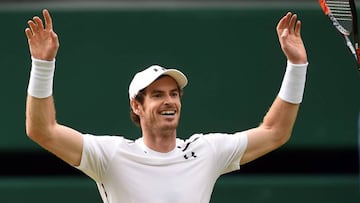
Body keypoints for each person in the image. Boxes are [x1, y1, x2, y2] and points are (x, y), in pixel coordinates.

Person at [25, 9, 308, 203]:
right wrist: (42, 64)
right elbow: (43, 130)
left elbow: (275, 131)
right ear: (137, 106)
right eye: (158, 95)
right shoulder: (110, 156)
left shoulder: (207, 151)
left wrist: (297, 65)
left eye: (174, 93)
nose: (170, 100)